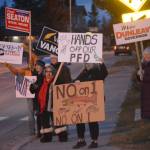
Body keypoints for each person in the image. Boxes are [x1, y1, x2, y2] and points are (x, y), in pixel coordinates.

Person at [3, 59, 45, 136]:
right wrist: (9, 66)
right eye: (32, 64)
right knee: (31, 113)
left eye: (34, 64)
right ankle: (33, 131)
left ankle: (42, 130)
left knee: (41, 113)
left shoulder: (43, 72)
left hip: (41, 96)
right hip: (31, 96)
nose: (33, 65)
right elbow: (16, 72)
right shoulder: (28, 71)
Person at [72, 63, 108, 149]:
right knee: (79, 120)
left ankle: (94, 141)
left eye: (89, 63)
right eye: (86, 63)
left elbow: (104, 74)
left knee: (92, 121)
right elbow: (76, 81)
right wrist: (75, 82)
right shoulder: (84, 72)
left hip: (94, 101)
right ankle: (81, 140)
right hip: (83, 102)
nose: (87, 64)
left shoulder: (97, 71)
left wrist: (102, 63)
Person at [30, 65, 55, 143]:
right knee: (45, 122)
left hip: (54, 104)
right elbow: (34, 89)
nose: (48, 73)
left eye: (50, 72)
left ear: (53, 73)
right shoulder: (42, 80)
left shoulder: (55, 80)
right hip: (44, 104)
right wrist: (33, 86)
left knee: (56, 120)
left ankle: (62, 135)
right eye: (47, 71)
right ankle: (47, 137)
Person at [50, 54, 72, 142]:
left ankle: (64, 135)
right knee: (55, 115)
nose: (53, 60)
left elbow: (67, 81)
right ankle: (59, 133)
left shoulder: (64, 68)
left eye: (54, 58)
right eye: (51, 58)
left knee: (62, 115)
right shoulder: (49, 69)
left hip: (61, 94)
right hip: (52, 96)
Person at [138, 47, 150, 119]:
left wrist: (143, 77)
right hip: (145, 92)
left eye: (148, 55)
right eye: (145, 55)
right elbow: (139, 79)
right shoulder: (142, 64)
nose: (147, 56)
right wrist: (138, 75)